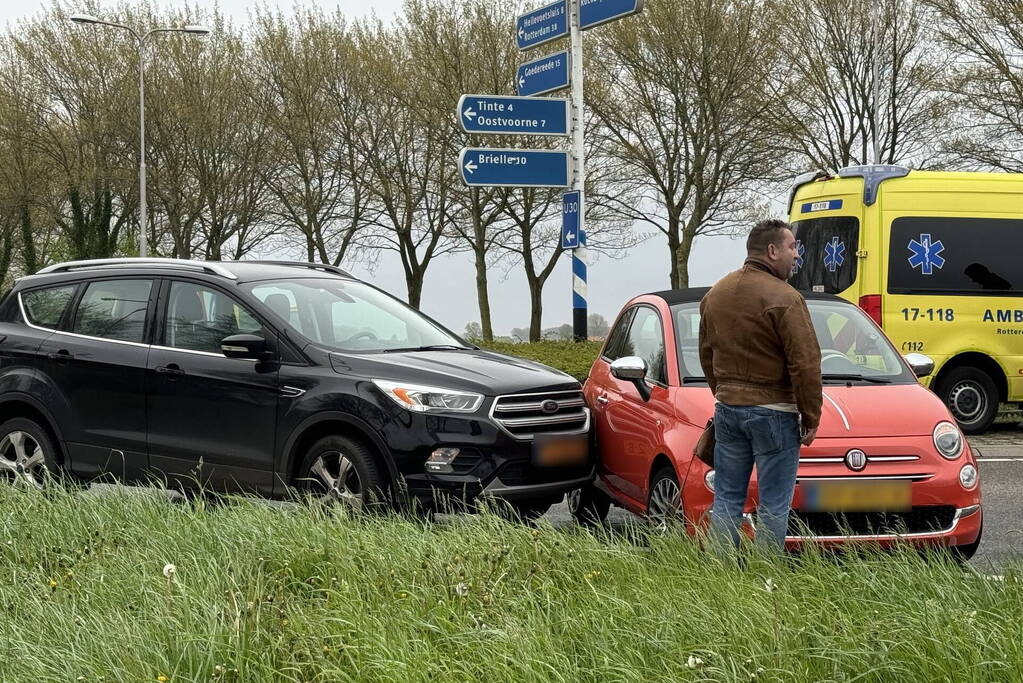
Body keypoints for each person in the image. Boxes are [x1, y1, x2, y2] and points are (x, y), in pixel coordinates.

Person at [698, 219, 822, 551]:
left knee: (726, 498)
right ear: (772, 250)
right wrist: (811, 417)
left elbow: (707, 354)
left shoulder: (716, 294)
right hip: (775, 414)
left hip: (728, 409)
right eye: (792, 247)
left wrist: (724, 393)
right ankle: (767, 578)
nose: (796, 255)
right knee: (773, 505)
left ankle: (721, 574)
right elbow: (806, 364)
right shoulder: (786, 298)